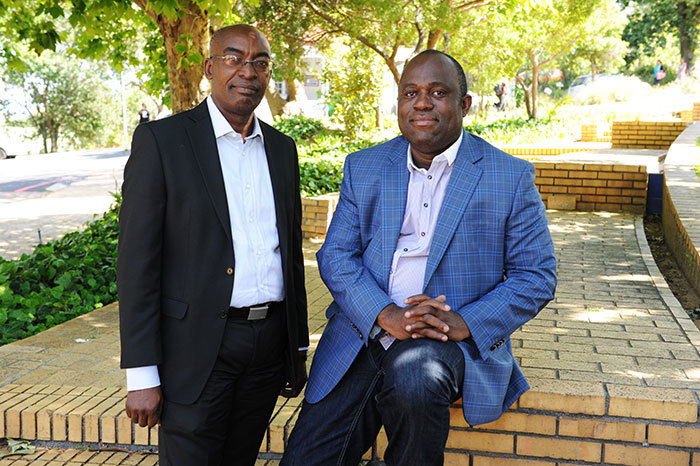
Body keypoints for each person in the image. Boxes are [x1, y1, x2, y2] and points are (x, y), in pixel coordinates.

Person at [282, 50, 557, 466]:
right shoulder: (365, 166)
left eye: (437, 92)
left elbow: (535, 275)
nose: (422, 102)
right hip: (366, 331)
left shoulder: (509, 176)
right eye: (410, 92)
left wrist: (463, 322)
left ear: (465, 105)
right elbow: (336, 254)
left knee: (414, 378)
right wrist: (384, 313)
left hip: (444, 343)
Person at [117, 24, 309, 466]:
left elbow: (291, 256)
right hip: (196, 348)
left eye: (259, 62)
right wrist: (142, 373)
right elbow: (137, 264)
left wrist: (296, 347)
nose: (247, 71)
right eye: (233, 58)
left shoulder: (282, 150)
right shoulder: (162, 143)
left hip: (267, 346)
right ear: (209, 68)